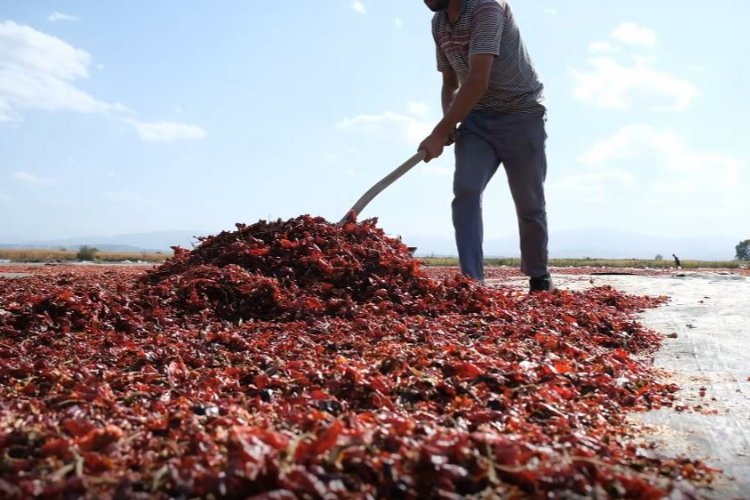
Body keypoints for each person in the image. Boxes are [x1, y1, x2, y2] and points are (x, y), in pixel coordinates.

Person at [419, 0, 553, 293]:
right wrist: (449, 123)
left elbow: (479, 79)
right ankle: (472, 282)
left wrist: (439, 132)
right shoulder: (438, 23)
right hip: (477, 118)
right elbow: (450, 81)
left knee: (529, 202)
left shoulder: (487, 7)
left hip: (522, 113)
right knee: (466, 190)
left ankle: (538, 276)